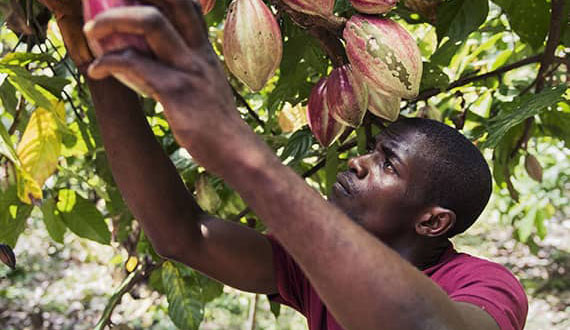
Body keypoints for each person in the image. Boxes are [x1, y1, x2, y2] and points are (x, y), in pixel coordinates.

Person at [39, 0, 528, 329]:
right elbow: (182, 235)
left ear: (433, 221)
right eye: (371, 150)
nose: (357, 161)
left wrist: (238, 148)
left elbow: (420, 324)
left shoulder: (486, 287)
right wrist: (94, 62)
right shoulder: (308, 268)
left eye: (388, 164)